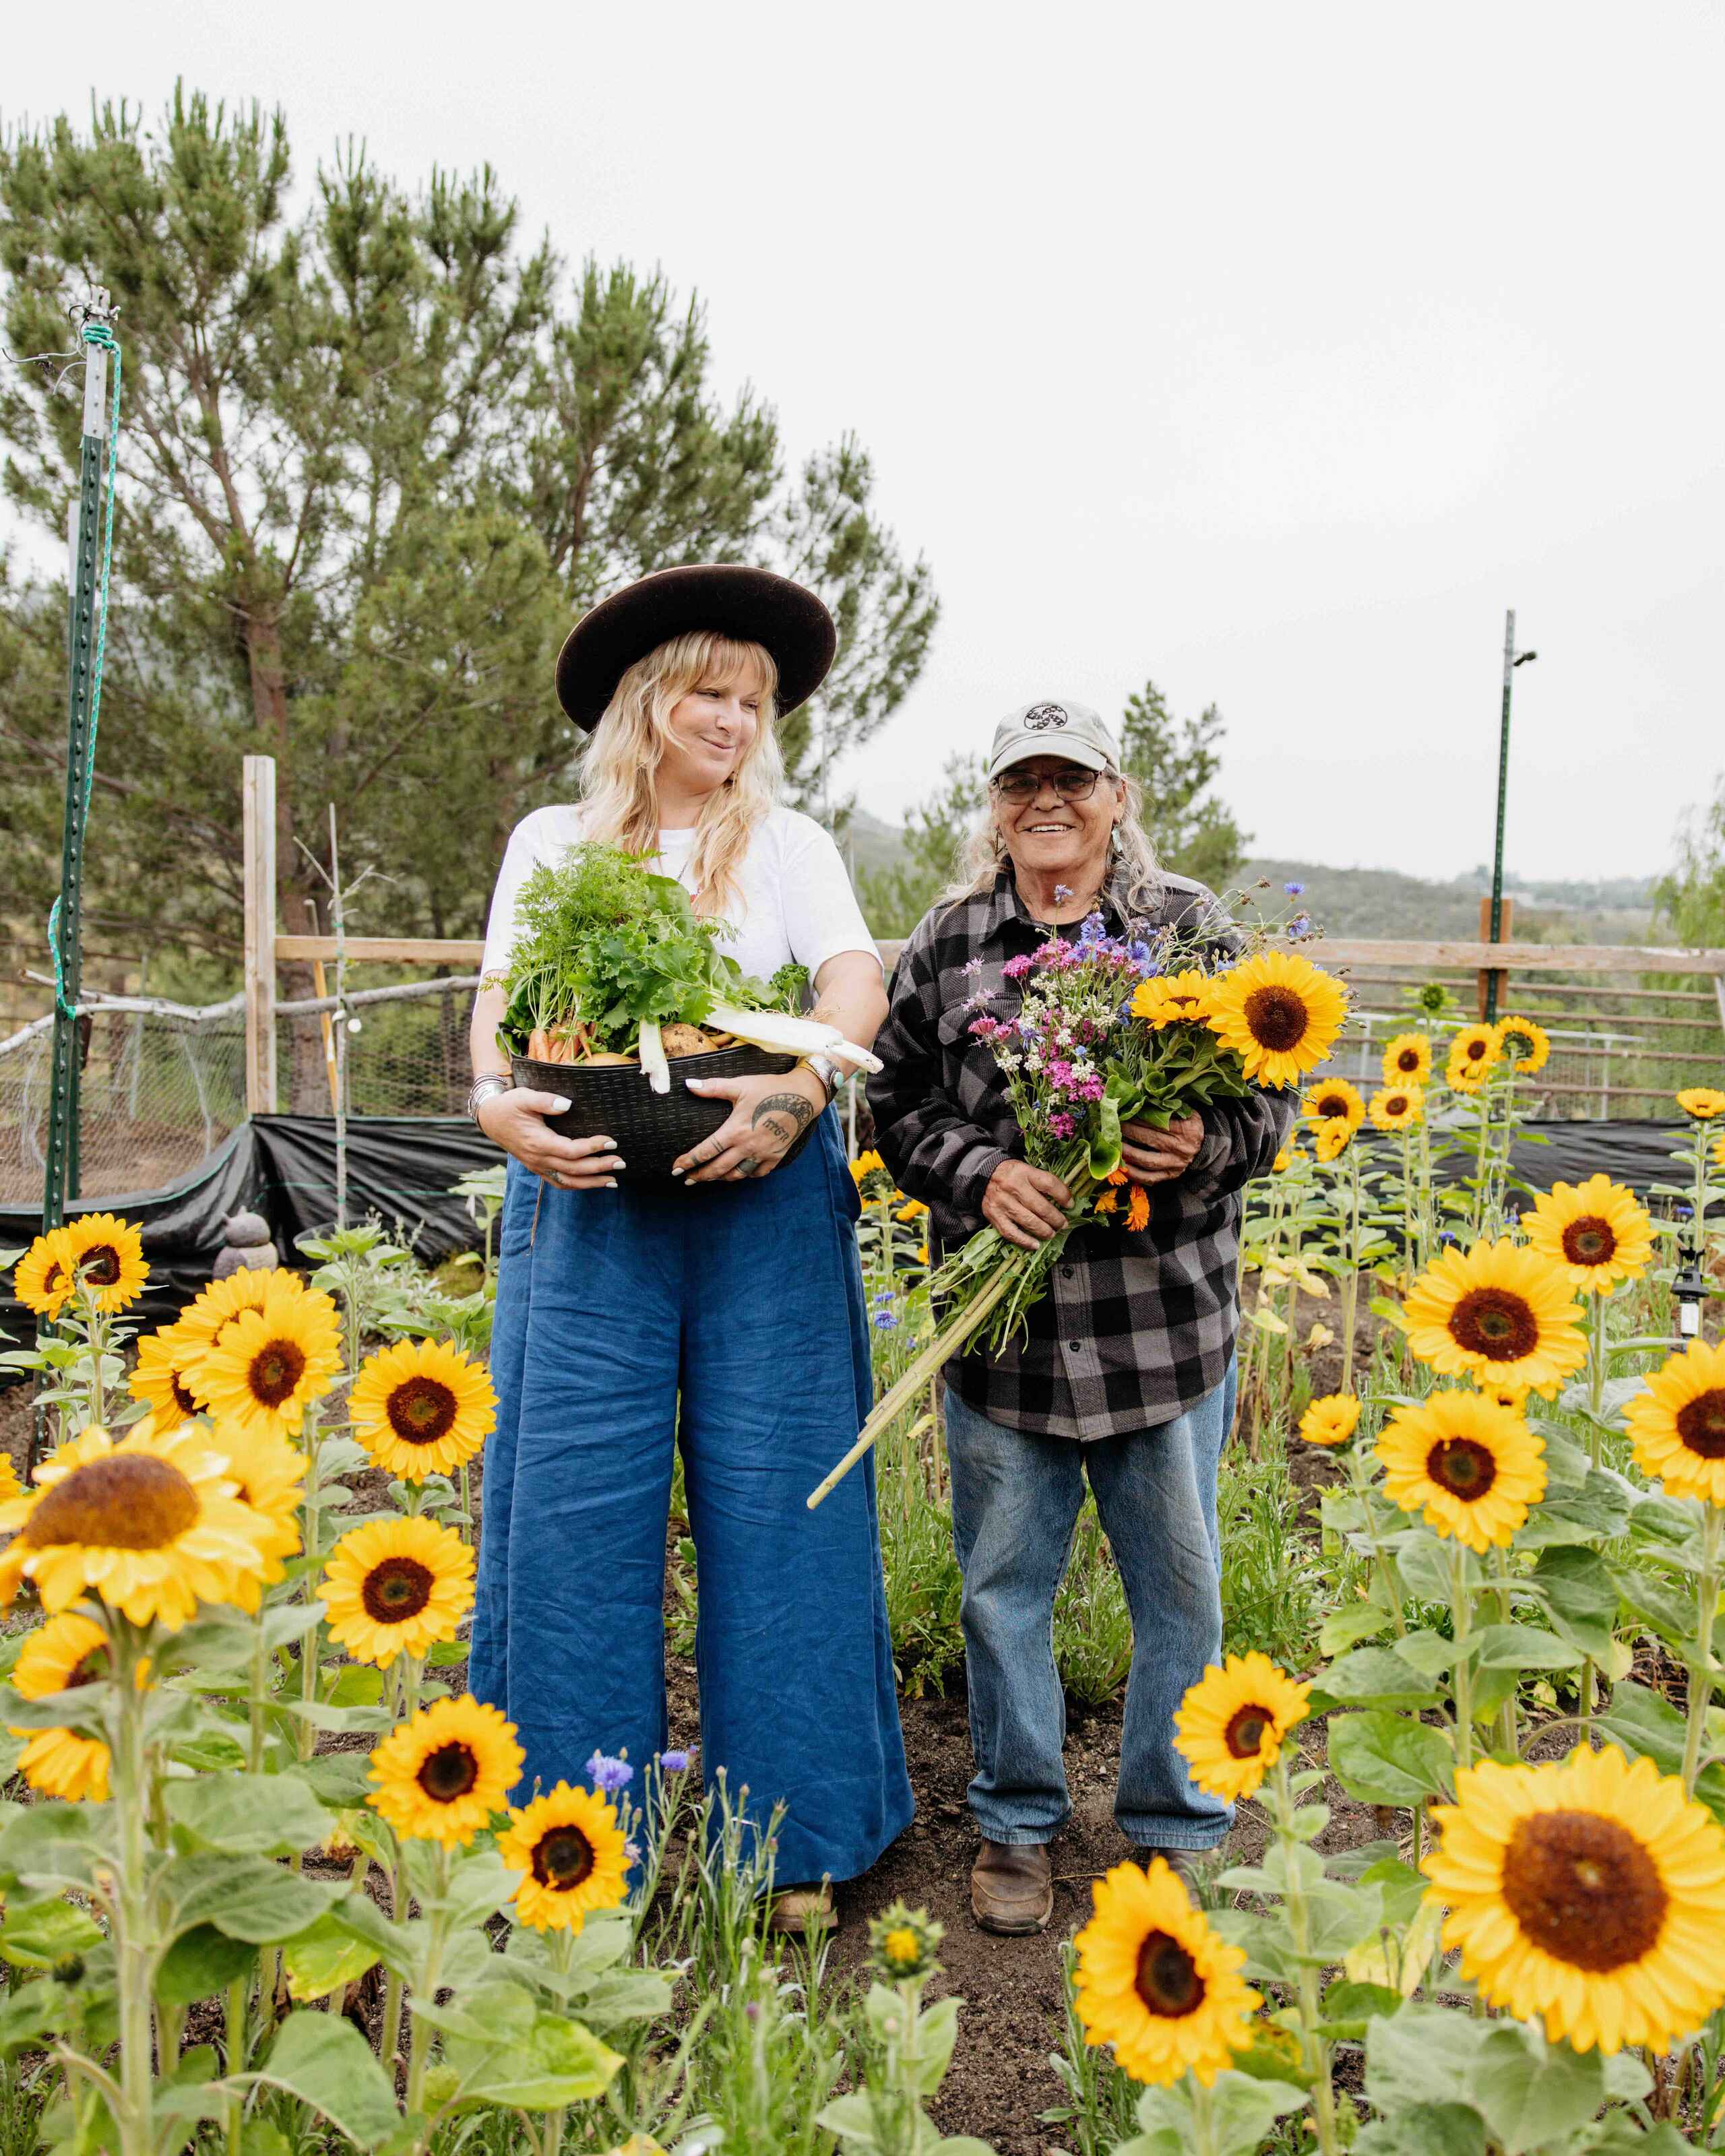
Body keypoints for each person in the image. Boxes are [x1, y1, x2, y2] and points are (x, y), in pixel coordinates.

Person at [467, 564, 913, 1930]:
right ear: (647, 700)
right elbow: (499, 1008)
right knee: (567, 1514)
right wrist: (501, 1112)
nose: (732, 720)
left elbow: (851, 980)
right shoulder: (555, 841)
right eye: (710, 692)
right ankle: (569, 1840)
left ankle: (794, 1840)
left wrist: (799, 1092)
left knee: (785, 1504)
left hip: (760, 1196)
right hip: (590, 1192)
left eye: (753, 700)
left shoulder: (788, 847)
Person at [868, 697, 1292, 1935]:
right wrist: (978, 1172)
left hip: (1163, 1323)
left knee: (1182, 1591)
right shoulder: (949, 941)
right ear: (993, 807)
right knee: (1004, 1586)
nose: (1045, 800)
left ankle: (1172, 1825)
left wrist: (1200, 1142)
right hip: (1006, 1340)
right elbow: (890, 1104)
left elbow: (1273, 1095)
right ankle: (1016, 1822)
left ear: (1118, 795)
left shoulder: (1188, 931)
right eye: (1020, 782)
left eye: (1072, 778)